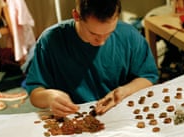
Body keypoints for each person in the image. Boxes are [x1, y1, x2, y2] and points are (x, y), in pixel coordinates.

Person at [25, 0, 159, 117]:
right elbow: (35, 93)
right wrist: (50, 97)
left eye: (109, 33)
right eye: (93, 34)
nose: (101, 42)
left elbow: (148, 76)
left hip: (119, 116)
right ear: (76, 16)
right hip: (72, 118)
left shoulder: (129, 36)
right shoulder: (50, 41)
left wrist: (125, 91)